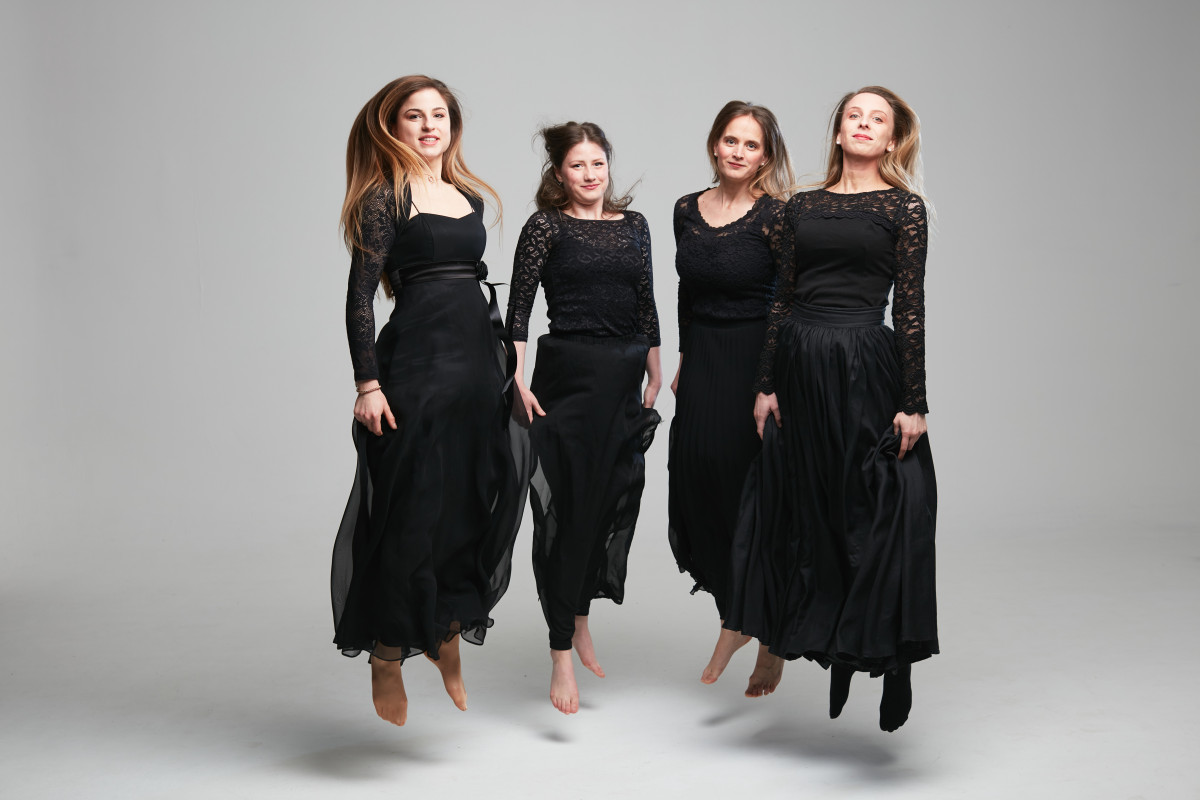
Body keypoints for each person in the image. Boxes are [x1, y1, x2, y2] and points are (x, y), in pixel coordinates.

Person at [725, 86, 938, 732]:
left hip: (864, 363)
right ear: (839, 132)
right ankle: (838, 649)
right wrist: (766, 383)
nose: (865, 125)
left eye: (878, 119)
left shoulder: (904, 208)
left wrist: (914, 402)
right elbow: (781, 298)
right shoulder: (802, 206)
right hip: (801, 363)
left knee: (873, 510)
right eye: (854, 116)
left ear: (892, 138)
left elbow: (909, 306)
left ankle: (892, 660)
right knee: (811, 512)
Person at [331, 75, 529, 727]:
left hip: (476, 367)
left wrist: (509, 370)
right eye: (414, 116)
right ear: (392, 127)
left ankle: (447, 632)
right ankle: (387, 654)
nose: (428, 126)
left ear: (452, 125)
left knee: (470, 502)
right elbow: (361, 297)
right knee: (412, 508)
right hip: (416, 366)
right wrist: (367, 384)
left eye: (438, 114)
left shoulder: (467, 196)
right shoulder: (383, 197)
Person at [505, 121, 663, 716]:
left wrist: (654, 370)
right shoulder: (545, 227)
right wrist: (516, 380)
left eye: (598, 163)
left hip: (622, 377)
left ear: (608, 166)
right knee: (568, 510)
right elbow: (518, 311)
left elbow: (646, 301)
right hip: (567, 379)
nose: (590, 174)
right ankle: (559, 651)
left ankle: (579, 618)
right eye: (578, 165)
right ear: (559, 174)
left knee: (606, 504)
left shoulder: (635, 225)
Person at [666, 101, 795, 696]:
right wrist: (685, 355)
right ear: (715, 144)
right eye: (731, 140)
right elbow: (686, 291)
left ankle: (761, 635)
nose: (739, 152)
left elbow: (785, 303)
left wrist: (767, 381)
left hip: (754, 360)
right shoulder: (685, 209)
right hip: (703, 357)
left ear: (765, 157)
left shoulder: (777, 216)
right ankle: (738, 610)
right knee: (701, 486)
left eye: (752, 144)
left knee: (752, 495)